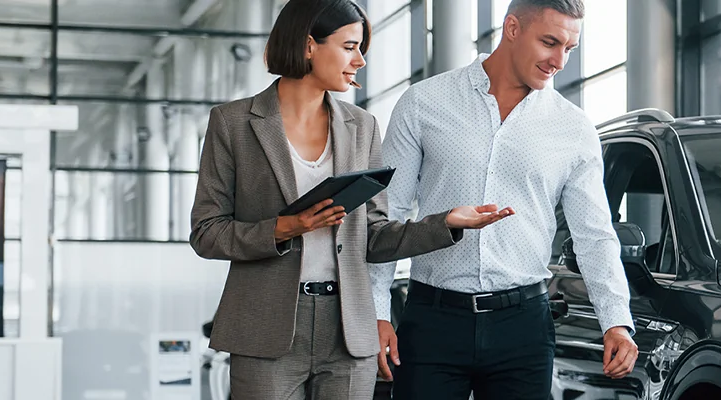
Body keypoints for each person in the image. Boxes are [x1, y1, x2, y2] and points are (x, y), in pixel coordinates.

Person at [189, 0, 511, 398]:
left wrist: (445, 223)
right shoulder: (233, 123)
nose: (359, 60)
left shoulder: (361, 126)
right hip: (265, 328)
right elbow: (206, 232)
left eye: (362, 49)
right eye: (349, 46)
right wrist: (287, 227)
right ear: (309, 45)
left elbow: (373, 236)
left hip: (347, 331)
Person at [376, 0, 638, 398]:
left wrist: (616, 321)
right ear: (512, 28)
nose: (559, 61)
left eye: (570, 49)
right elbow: (385, 217)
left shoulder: (573, 128)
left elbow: (594, 235)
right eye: (549, 42)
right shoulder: (423, 102)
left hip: (524, 328)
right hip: (432, 320)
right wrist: (377, 313)